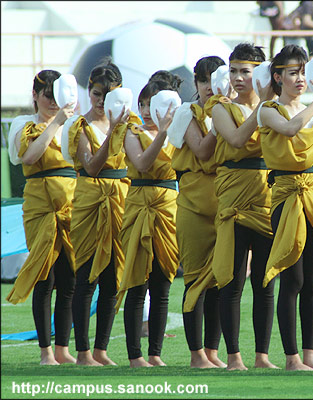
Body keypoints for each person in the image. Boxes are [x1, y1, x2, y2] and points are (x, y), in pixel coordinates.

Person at [259, 44, 313, 371]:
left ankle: (309, 356)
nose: (300, 78)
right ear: (278, 77)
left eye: (303, 72)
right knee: (293, 279)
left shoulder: (310, 109)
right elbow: (290, 130)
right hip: (288, 194)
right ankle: (291, 358)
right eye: (293, 72)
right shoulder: (268, 109)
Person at [62, 58, 136, 366]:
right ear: (88, 92)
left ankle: (101, 350)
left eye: (108, 94)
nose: (102, 101)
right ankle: (82, 352)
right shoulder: (80, 126)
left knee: (113, 279)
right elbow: (91, 165)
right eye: (96, 93)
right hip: (90, 201)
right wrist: (113, 133)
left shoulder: (130, 125)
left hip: (120, 200)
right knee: (86, 276)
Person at [208, 42, 278, 370]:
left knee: (265, 282)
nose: (237, 78)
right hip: (234, 199)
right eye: (233, 71)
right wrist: (263, 108)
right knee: (232, 281)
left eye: (245, 72)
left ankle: (262, 356)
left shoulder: (274, 109)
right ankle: (234, 355)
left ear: (260, 73)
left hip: (267, 199)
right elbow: (236, 140)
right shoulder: (221, 108)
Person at [6, 70, 77, 365]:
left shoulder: (73, 125)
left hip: (72, 204)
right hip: (41, 206)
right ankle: (45, 351)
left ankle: (63, 348)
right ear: (35, 96)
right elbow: (30, 157)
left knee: (69, 277)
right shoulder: (26, 124)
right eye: (47, 95)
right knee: (44, 276)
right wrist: (56, 122)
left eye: (56, 95)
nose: (52, 101)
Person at [113, 76, 180, 368]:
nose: (156, 112)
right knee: (138, 282)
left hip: (168, 207)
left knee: (162, 285)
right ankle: (134, 355)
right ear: (141, 105)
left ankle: (155, 353)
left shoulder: (177, 134)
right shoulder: (133, 130)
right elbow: (141, 164)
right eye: (149, 105)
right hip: (140, 204)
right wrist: (163, 134)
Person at [170, 56, 227, 369]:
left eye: (214, 79)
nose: (208, 87)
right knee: (195, 280)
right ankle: (196, 356)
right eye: (203, 80)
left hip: (225, 202)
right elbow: (203, 150)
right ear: (196, 83)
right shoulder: (185, 111)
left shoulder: (230, 110)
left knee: (220, 280)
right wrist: (223, 119)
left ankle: (213, 352)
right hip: (193, 205)